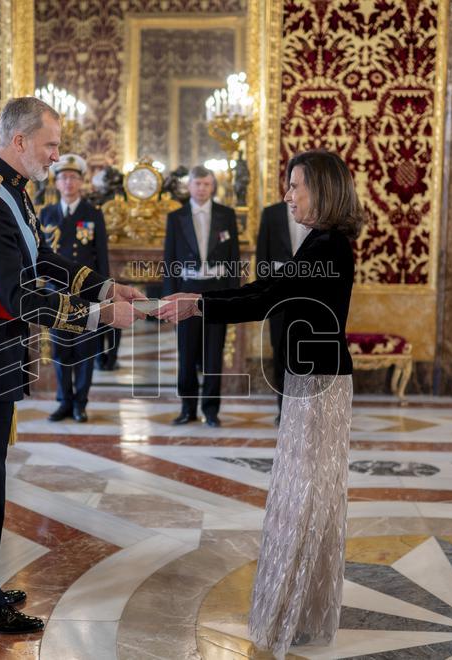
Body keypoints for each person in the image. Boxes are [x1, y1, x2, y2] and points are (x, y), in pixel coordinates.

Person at [0, 97, 146, 635]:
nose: (56, 153)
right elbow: (22, 298)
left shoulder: (14, 194)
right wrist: (99, 316)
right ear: (18, 141)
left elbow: (44, 260)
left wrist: (106, 285)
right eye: (50, 144)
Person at [158, 150, 363, 657]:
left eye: (295, 186)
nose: (287, 195)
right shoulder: (320, 241)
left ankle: (295, 611)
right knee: (302, 495)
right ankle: (299, 611)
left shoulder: (330, 246)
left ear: (323, 190)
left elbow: (264, 297)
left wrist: (198, 302)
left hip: (320, 381)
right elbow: (268, 290)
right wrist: (198, 301)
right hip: (309, 376)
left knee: (307, 497)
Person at [161, 165, 240, 427]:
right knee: (186, 354)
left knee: (213, 354)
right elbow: (169, 260)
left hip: (217, 292)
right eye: (197, 184)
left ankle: (212, 410)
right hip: (186, 291)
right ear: (189, 186)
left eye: (207, 184)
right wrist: (169, 300)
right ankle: (187, 408)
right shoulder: (176, 217)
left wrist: (233, 299)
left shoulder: (226, 215)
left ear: (212, 186)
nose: (202, 189)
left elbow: (233, 260)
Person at [40, 154, 110, 422]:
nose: (68, 182)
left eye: (73, 177)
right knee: (60, 350)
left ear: (81, 182)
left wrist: (105, 295)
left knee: (84, 350)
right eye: (63, 178)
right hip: (55, 295)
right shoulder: (46, 214)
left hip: (86, 296)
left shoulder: (93, 215)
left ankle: (81, 403)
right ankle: (64, 400)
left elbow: (101, 258)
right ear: (56, 183)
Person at [255, 199, 311, 425]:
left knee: (306, 353)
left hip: (309, 298)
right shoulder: (271, 213)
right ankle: (284, 409)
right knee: (280, 352)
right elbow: (262, 258)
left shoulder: (317, 210)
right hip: (278, 297)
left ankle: (306, 409)